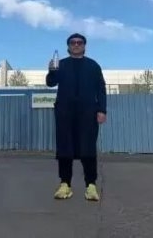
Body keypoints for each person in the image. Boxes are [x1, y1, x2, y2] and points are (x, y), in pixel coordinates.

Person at [46, 32, 107, 201]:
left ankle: (91, 186)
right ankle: (65, 184)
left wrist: (102, 110)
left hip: (88, 113)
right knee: (65, 148)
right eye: (73, 42)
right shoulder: (61, 64)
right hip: (65, 113)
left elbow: (101, 89)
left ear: (84, 46)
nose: (76, 45)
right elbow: (50, 83)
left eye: (80, 42)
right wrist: (51, 71)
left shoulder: (93, 66)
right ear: (68, 46)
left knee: (88, 148)